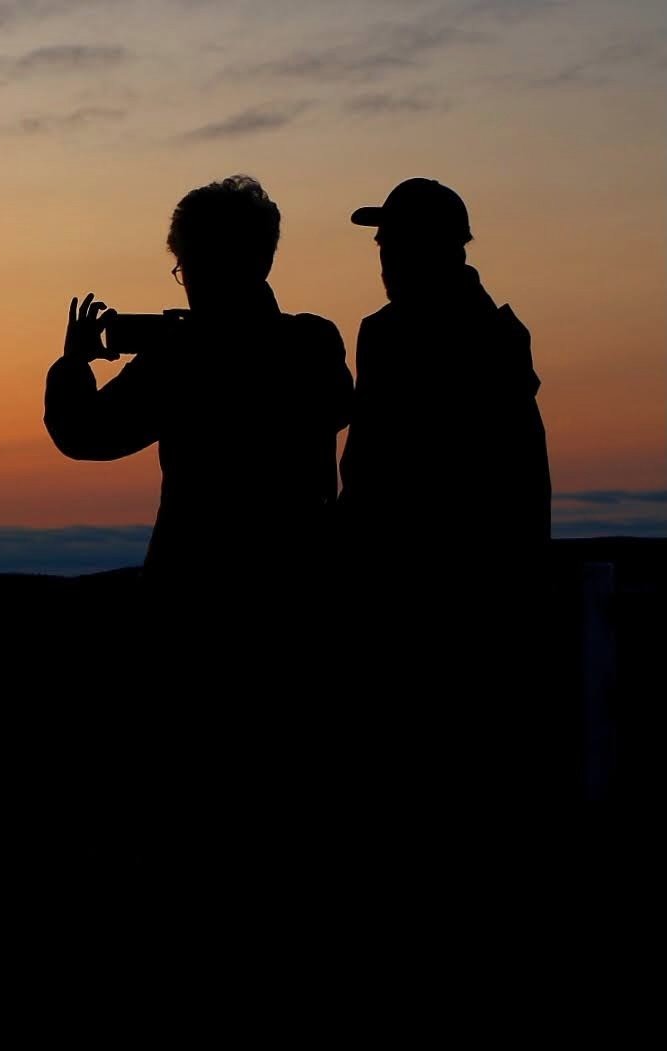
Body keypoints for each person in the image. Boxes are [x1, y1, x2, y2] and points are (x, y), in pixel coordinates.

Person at [43, 174, 354, 808]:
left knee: (190, 786)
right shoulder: (314, 341)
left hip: (193, 599)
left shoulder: (182, 359)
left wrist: (75, 362)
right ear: (264, 256)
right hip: (302, 597)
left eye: (184, 266)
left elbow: (87, 435)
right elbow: (336, 406)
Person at [338, 178, 557, 806]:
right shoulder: (498, 337)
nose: (380, 255)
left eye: (389, 243)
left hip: (422, 605)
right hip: (489, 602)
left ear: (421, 249)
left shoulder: (394, 334)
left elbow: (377, 472)